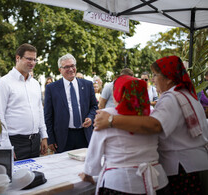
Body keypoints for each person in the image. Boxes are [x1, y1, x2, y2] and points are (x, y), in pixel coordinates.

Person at [94, 56, 208, 194]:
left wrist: (111, 120)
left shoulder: (170, 98)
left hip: (181, 167)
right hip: (192, 164)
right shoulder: (186, 94)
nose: (152, 80)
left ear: (169, 78)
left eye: (155, 75)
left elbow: (154, 125)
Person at [80, 75, 169, 195]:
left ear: (118, 93)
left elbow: (94, 151)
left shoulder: (107, 115)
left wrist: (88, 173)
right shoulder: (153, 115)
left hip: (121, 183)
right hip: (157, 182)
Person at [0, 43, 48, 160]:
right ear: (17, 58)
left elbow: (39, 111)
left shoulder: (35, 84)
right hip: (15, 142)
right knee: (15, 178)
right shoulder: (4, 83)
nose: (32, 62)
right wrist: (6, 146)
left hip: (35, 141)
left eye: (34, 59)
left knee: (35, 176)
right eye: (29, 59)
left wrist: (44, 136)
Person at [44, 53, 98, 153]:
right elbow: (48, 115)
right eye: (67, 67)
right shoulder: (52, 88)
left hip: (84, 135)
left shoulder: (87, 85)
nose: (71, 69)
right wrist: (50, 139)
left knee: (83, 167)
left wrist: (90, 117)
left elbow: (94, 106)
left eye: (73, 66)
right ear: (60, 70)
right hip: (63, 137)